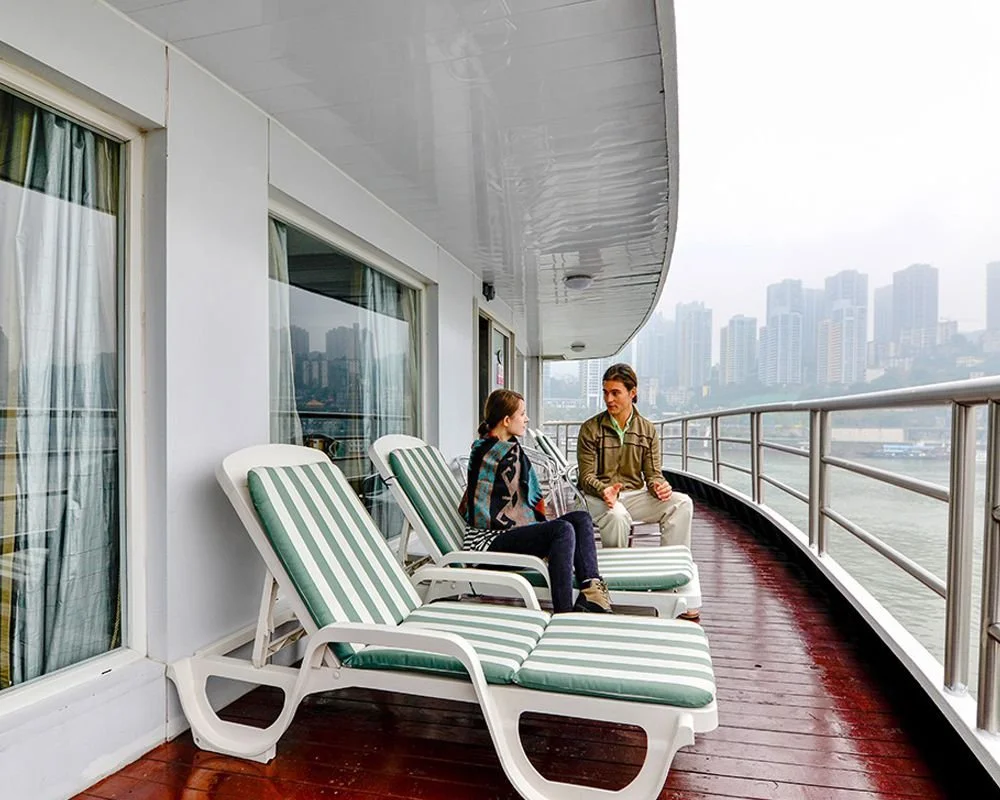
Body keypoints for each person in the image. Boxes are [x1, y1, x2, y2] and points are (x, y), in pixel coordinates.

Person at [461, 389, 611, 614]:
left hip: (508, 535)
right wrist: (537, 529)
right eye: (522, 414)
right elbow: (485, 512)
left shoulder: (511, 448)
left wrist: (533, 527)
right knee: (561, 530)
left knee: (580, 518)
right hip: (486, 544)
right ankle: (564, 612)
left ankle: (592, 591)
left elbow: (516, 502)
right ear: (506, 420)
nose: (527, 419)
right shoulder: (486, 454)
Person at [577, 362, 696, 556]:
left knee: (682, 503)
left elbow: (653, 474)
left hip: (633, 495)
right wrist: (603, 490)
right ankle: (617, 574)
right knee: (617, 515)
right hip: (595, 497)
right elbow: (586, 477)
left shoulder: (647, 430)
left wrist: (659, 485)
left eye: (615, 393)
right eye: (605, 392)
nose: (608, 399)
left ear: (632, 393)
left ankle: (672, 567)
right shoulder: (590, 428)